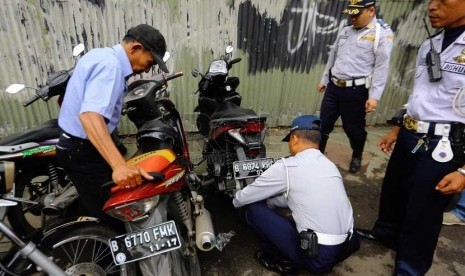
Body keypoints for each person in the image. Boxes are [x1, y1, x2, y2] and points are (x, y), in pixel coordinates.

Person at [355, 0, 465, 274]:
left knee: (423, 212)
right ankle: (386, 233)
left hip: (443, 144)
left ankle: (410, 268)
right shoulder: (431, 43)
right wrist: (398, 128)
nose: (432, 5)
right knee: (394, 190)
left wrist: (464, 171)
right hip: (410, 134)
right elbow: (420, 93)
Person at [56, 24, 169, 229]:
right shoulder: (111, 67)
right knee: (112, 215)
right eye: (150, 62)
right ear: (135, 48)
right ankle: (111, 255)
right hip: (83, 150)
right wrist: (119, 166)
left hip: (79, 144)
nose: (147, 69)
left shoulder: (101, 55)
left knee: (97, 199)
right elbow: (90, 116)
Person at [233, 115, 360, 275]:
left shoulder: (287, 166)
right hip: (348, 245)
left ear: (294, 138)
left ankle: (283, 261)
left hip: (318, 257)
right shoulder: (329, 165)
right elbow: (297, 198)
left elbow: (246, 196)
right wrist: (271, 203)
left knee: (252, 210)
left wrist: (235, 201)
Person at [317, 0, 394, 173]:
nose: (352, 17)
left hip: (355, 92)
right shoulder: (345, 30)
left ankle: (357, 155)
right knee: (323, 125)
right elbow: (333, 56)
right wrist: (324, 79)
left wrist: (374, 96)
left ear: (371, 11)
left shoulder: (382, 34)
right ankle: (317, 156)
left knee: (353, 129)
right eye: (350, 13)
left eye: (356, 14)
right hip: (334, 88)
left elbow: (382, 67)